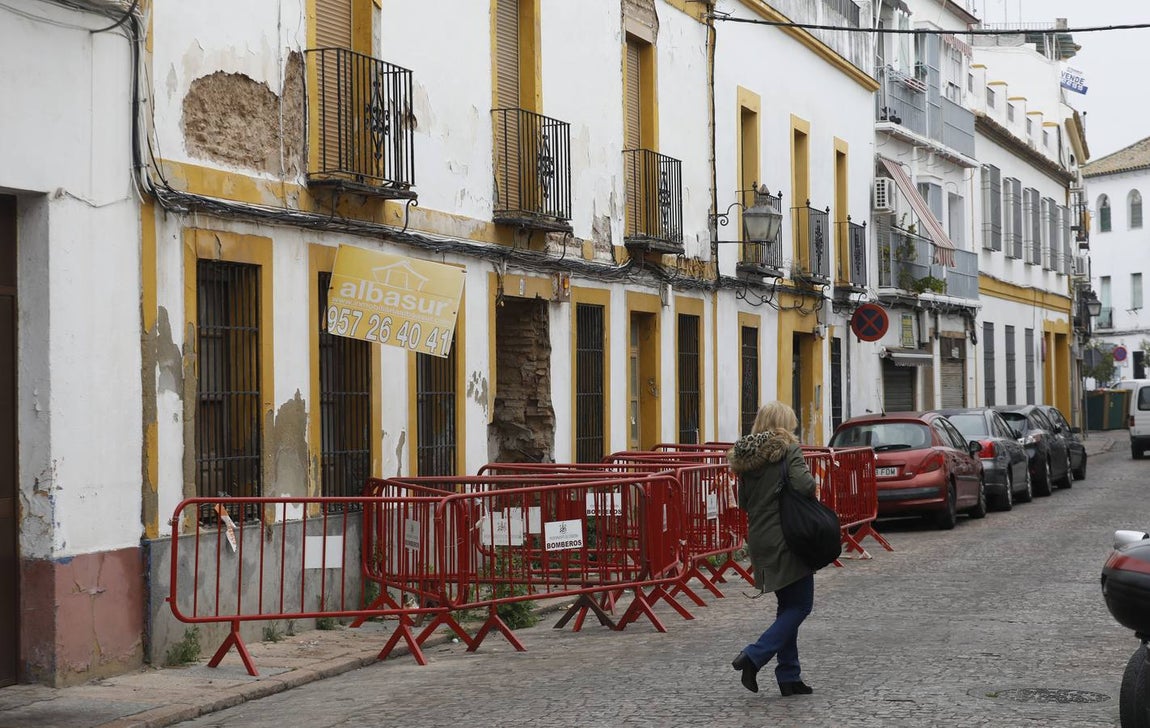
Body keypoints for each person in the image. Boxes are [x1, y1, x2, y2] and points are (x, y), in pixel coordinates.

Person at [726, 400, 817, 696]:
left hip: (761, 536)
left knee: (787, 605)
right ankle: (754, 655)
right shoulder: (788, 449)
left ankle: (789, 676)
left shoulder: (746, 457)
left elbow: (743, 502)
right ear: (784, 423)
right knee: (802, 604)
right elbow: (805, 486)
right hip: (789, 535)